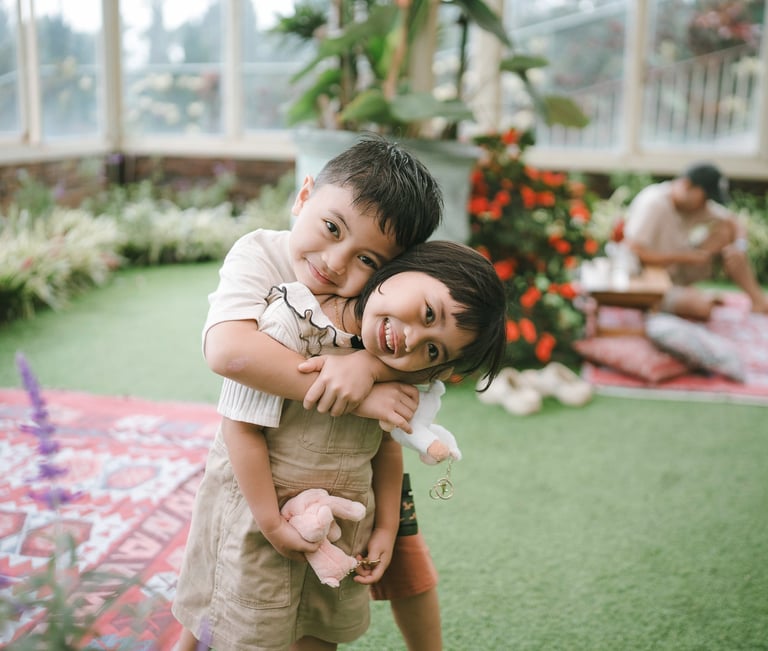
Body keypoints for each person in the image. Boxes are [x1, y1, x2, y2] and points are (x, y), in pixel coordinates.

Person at [174, 135, 442, 651]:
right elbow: (229, 351)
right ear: (304, 197)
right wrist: (357, 392)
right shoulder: (260, 254)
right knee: (216, 606)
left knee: (320, 616)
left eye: (367, 258)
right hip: (258, 477)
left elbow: (409, 363)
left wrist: (369, 363)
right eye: (331, 228)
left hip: (343, 495)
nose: (337, 263)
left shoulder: (375, 299)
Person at [172, 241, 507, 650]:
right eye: (427, 314)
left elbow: (385, 446)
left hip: (340, 536)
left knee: (319, 629)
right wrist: (272, 525)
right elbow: (240, 427)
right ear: (404, 266)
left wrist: (385, 526)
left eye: (432, 349)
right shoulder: (295, 322)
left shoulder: (396, 372)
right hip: (259, 521)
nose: (411, 339)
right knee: (231, 621)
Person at [623, 162, 768, 315]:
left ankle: (758, 301)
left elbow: (734, 222)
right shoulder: (653, 202)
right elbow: (634, 250)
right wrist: (685, 257)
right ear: (687, 186)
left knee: (725, 230)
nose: (706, 204)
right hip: (648, 278)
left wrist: (740, 246)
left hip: (678, 270)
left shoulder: (697, 206)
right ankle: (687, 298)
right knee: (701, 309)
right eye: (705, 198)